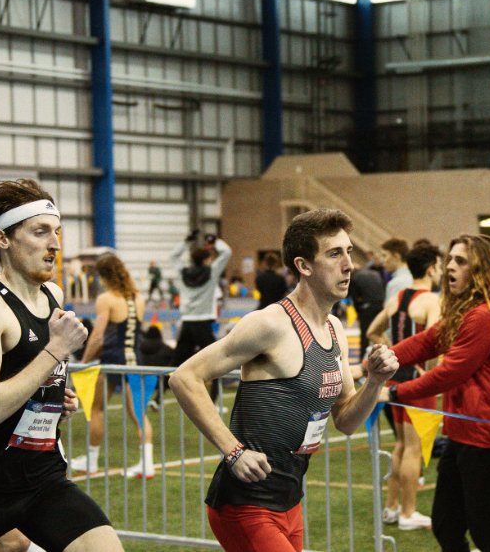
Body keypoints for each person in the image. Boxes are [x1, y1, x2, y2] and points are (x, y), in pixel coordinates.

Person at [169, 208, 398, 552]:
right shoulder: (270, 324)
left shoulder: (334, 329)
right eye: (335, 254)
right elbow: (184, 377)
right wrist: (233, 451)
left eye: (349, 252)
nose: (349, 264)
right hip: (246, 503)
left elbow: (347, 420)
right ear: (304, 266)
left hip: (290, 502)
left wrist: (375, 381)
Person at [0, 179, 123, 551]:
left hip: (42, 479)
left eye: (57, 232)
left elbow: (29, 378)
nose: (55, 244)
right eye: (40, 231)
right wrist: (55, 351)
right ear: (3, 239)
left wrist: (56, 398)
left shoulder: (52, 295)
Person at [382, 233, 490, 552]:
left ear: (481, 268)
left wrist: (395, 393)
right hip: (462, 432)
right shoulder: (466, 310)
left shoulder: (488, 314)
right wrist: (379, 361)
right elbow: (428, 341)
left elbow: (450, 371)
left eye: (460, 261)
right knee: (446, 524)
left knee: (488, 533)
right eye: (449, 260)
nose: (449, 267)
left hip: (486, 434)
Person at [367, 243, 442, 530]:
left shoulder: (397, 296)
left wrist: (393, 352)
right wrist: (432, 373)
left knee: (400, 445)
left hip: (396, 377)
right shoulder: (431, 300)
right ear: (432, 268)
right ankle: (409, 513)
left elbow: (373, 330)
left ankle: (392, 508)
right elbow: (434, 342)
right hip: (416, 380)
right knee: (413, 448)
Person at [70, 253, 155, 479]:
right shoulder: (138, 298)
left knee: (96, 409)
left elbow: (97, 337)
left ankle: (91, 459)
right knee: (138, 412)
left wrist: (84, 361)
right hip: (134, 359)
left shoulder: (106, 299)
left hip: (112, 361)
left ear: (103, 275)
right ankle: (147, 463)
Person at [170, 230, 232, 404]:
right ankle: (213, 401)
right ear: (206, 260)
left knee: (176, 362)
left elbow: (173, 256)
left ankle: (158, 398)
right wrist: (213, 242)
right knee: (217, 363)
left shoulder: (183, 272)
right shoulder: (211, 272)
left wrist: (186, 241)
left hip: (187, 322)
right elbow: (227, 252)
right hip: (203, 322)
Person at [347, 262, 385, 358]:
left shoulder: (355, 278)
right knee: (380, 333)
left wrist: (358, 313)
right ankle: (382, 356)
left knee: (365, 335)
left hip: (367, 308)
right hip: (381, 306)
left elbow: (354, 298)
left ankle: (363, 359)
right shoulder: (375, 273)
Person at [381, 238, 411, 303]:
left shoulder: (396, 284)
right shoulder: (413, 278)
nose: (382, 260)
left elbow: (390, 312)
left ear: (396, 257)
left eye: (384, 256)